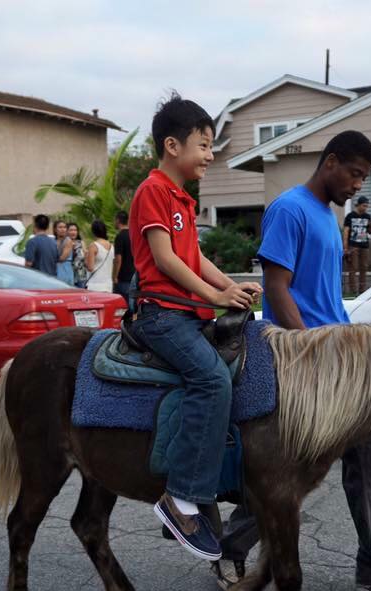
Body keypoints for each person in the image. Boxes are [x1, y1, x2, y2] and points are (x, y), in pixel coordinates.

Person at [214, 131, 371, 591]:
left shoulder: (328, 216)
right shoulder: (289, 209)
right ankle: (230, 550)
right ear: (330, 162)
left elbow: (324, 295)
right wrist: (311, 351)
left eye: (364, 178)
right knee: (292, 470)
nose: (358, 185)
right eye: (355, 174)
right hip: (302, 361)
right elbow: (277, 288)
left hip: (338, 359)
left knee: (369, 458)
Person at [130, 93, 261, 561]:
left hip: (186, 312)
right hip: (162, 315)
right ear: (172, 146)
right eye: (203, 145)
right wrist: (215, 296)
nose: (209, 155)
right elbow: (165, 259)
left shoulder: (182, 198)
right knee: (211, 379)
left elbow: (195, 256)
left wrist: (231, 285)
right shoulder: (153, 191)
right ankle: (180, 497)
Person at [343, 195, 371, 295]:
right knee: (353, 268)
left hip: (364, 245)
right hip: (353, 245)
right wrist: (345, 247)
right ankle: (353, 291)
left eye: (367, 206)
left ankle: (362, 290)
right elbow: (346, 231)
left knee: (364, 267)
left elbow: (370, 232)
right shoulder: (350, 216)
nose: (365, 208)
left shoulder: (367, 216)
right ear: (358, 205)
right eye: (364, 206)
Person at [84, 219, 114, 292]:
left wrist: (85, 257)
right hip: (108, 285)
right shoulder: (111, 246)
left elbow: (90, 267)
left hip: (95, 284)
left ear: (93, 231)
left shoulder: (93, 246)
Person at [113, 211, 135, 299]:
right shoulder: (133, 235)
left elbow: (118, 258)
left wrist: (115, 276)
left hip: (123, 278)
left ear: (118, 220)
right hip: (134, 276)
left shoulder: (120, 236)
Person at [53, 219, 75, 284]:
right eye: (60, 227)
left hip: (65, 269)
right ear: (55, 229)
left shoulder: (68, 241)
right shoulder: (53, 240)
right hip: (54, 269)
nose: (63, 229)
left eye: (64, 227)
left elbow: (62, 258)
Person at [67, 222, 87, 286]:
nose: (73, 232)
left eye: (75, 230)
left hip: (81, 276)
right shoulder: (65, 243)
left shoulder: (81, 243)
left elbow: (85, 257)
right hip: (68, 275)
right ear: (67, 231)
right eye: (71, 230)